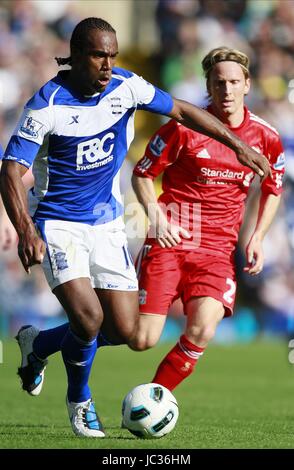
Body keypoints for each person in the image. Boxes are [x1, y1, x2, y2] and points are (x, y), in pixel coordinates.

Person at [0, 16, 270, 439]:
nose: (107, 65)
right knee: (88, 319)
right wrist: (26, 229)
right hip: (58, 223)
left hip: (107, 221)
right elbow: (11, 170)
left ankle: (38, 346)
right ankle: (80, 401)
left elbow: (182, 111)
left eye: (112, 55)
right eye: (97, 55)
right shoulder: (47, 104)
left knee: (125, 331)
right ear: (74, 56)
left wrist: (237, 144)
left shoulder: (127, 87)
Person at [128, 46, 285, 391]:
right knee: (142, 338)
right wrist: (157, 218)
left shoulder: (266, 137)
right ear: (208, 86)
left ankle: (155, 399)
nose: (226, 90)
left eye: (233, 82)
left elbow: (274, 187)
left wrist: (257, 236)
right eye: (218, 83)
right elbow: (141, 174)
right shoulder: (184, 128)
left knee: (203, 328)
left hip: (216, 251)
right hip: (171, 239)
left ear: (247, 84)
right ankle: (55, 339)